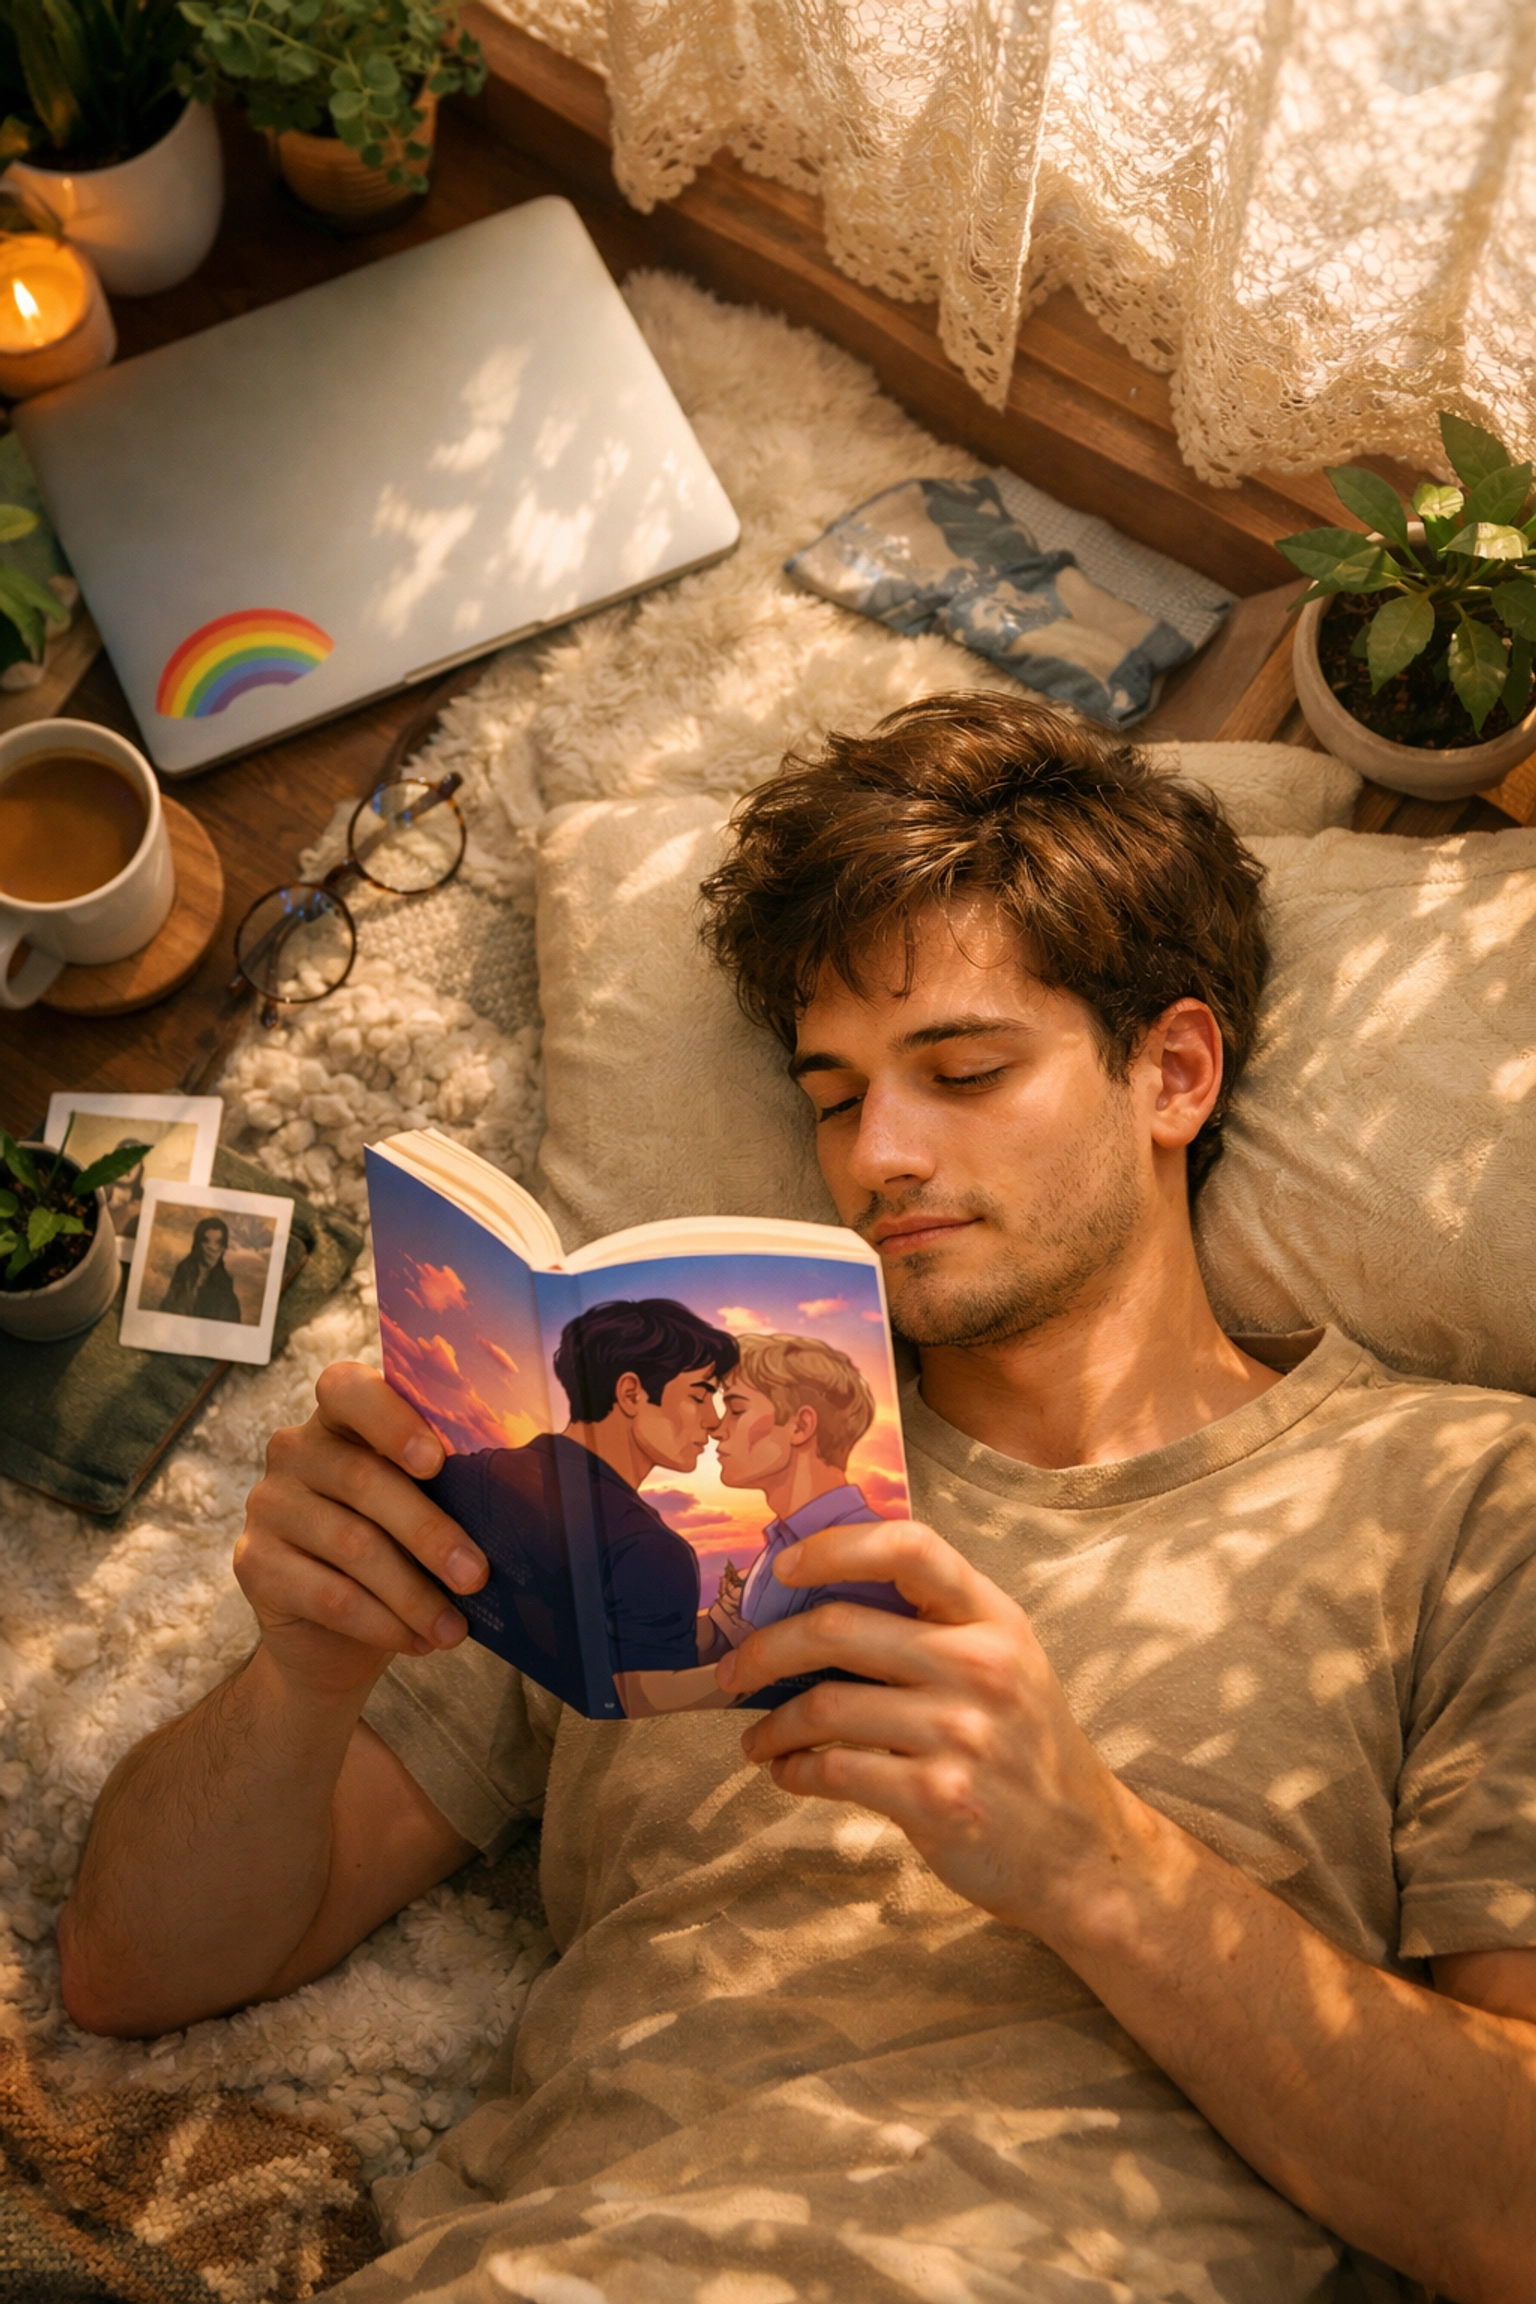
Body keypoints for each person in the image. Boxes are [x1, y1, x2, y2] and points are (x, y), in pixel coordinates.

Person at [56, 694, 1536, 2302]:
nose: (879, 1156)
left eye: (962, 1070)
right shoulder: (637, 1493)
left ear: (1171, 1071)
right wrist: (303, 1674)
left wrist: (1092, 1857)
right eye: (835, 1098)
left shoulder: (1459, 1500)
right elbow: (132, 1971)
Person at [424, 1296, 737, 1716]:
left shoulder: (465, 1472)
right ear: (630, 1393)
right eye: (701, 1396)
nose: (715, 1420)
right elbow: (650, 1712)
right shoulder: (650, 1549)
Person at [711, 1332, 914, 1684]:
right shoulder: (779, 1543)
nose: (717, 1428)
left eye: (737, 1409)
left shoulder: (863, 1559)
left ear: (800, 1425)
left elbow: (831, 1689)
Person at [157, 1214, 242, 1324]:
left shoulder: (227, 1296)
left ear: (223, 1249)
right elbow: (165, 1312)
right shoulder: (182, 1276)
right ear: (197, 1244)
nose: (212, 1248)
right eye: (206, 1241)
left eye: (218, 1243)